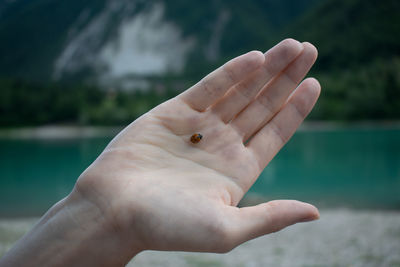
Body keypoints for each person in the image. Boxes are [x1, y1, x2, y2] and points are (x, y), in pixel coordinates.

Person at [0, 39, 320, 267]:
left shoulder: (194, 138)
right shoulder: (192, 139)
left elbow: (194, 139)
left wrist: (100, 215)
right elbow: (193, 139)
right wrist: (104, 211)